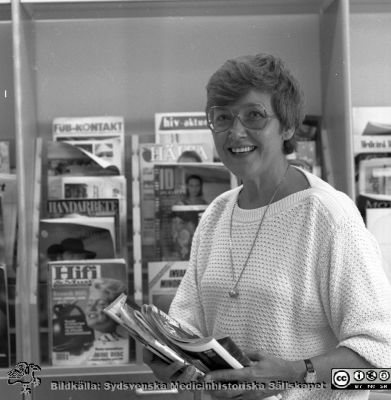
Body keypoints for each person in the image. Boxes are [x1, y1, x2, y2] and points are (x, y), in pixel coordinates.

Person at [143, 53, 391, 399]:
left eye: (254, 116)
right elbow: (190, 328)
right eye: (222, 117)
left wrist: (296, 373)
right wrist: (166, 352)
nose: (236, 131)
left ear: (288, 126)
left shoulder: (329, 217)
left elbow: (381, 354)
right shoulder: (215, 215)